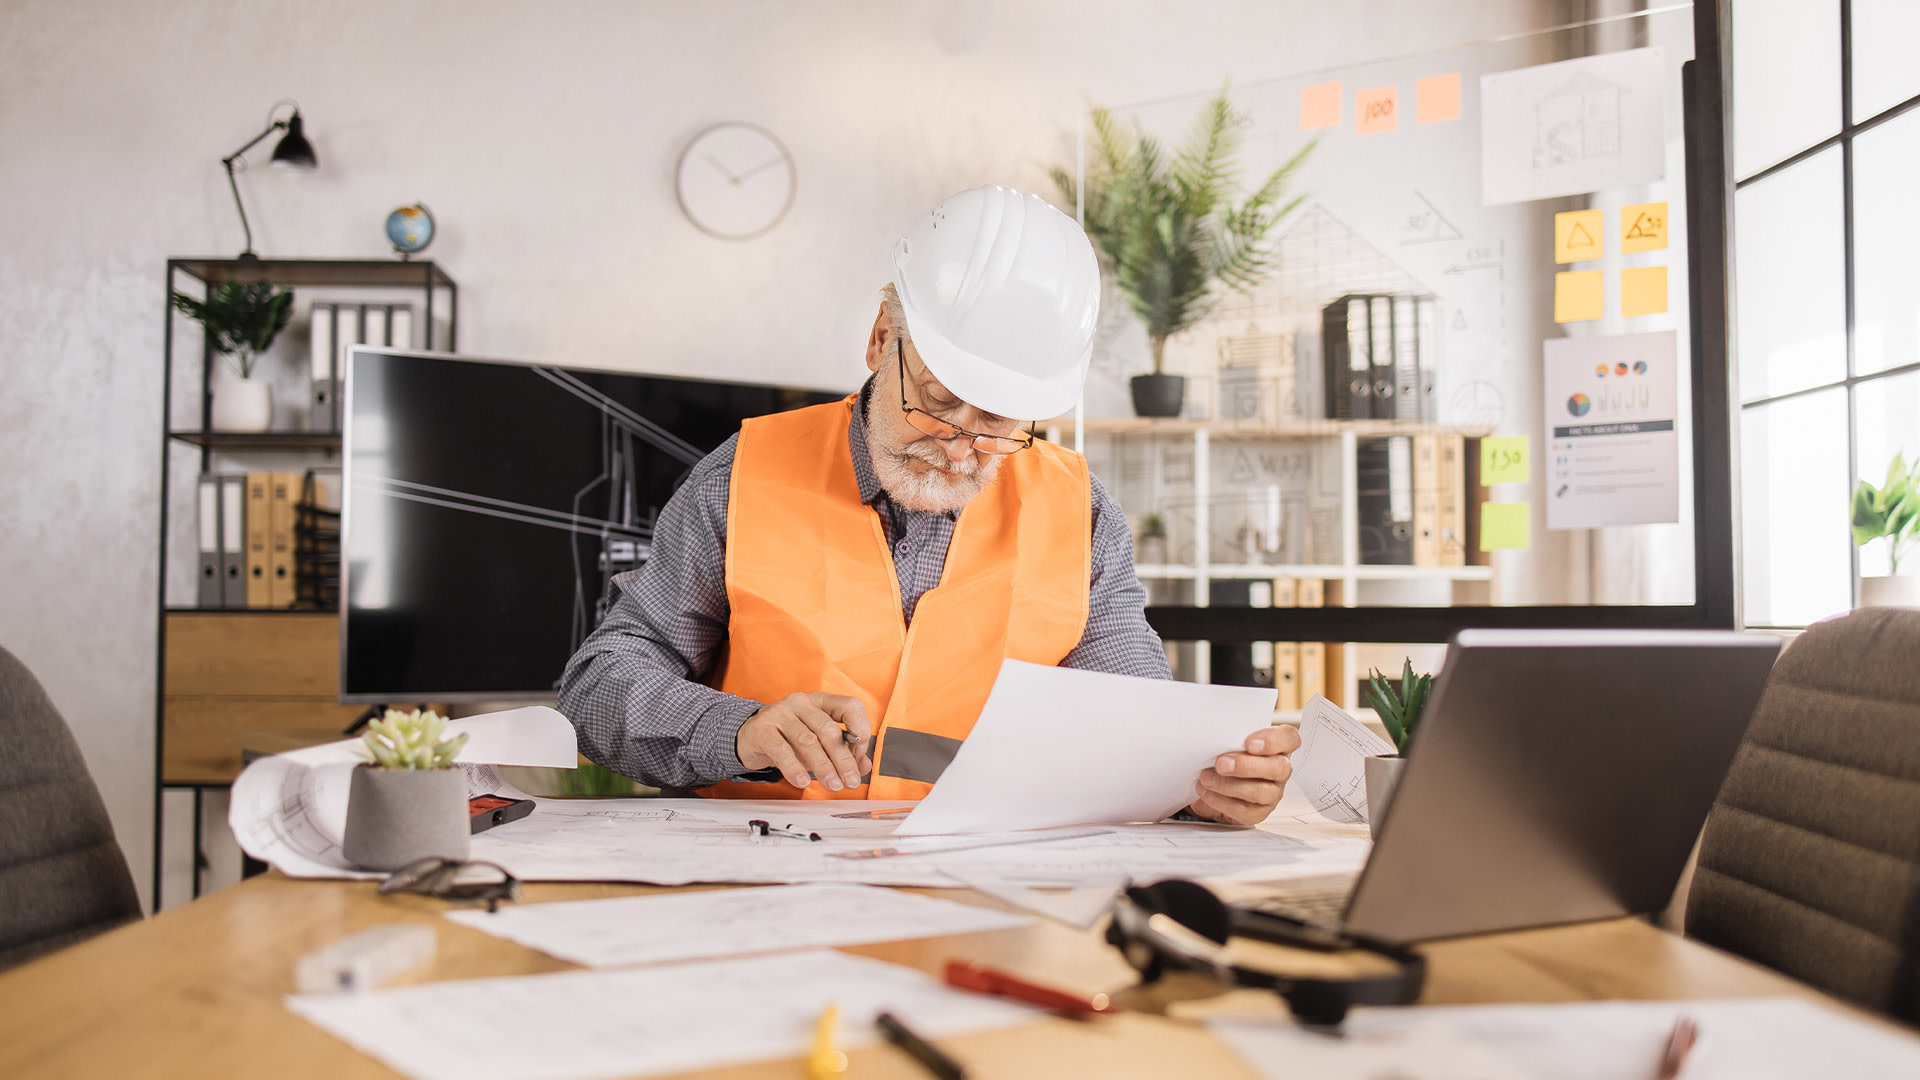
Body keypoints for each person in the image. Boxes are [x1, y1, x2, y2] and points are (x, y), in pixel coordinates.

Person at [558, 185, 1300, 825]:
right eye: (939, 400)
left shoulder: (1081, 511)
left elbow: (1134, 723)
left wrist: (1200, 786)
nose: (958, 444)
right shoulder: (736, 478)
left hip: (992, 880)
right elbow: (597, 687)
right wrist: (742, 730)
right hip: (772, 871)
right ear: (883, 340)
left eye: (999, 422)